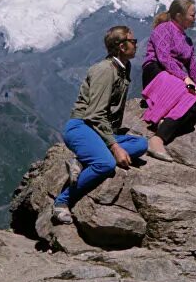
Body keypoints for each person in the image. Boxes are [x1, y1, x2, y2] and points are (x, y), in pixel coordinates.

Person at [51, 25, 148, 225]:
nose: (136, 44)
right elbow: (95, 114)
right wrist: (115, 146)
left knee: (141, 145)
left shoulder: (123, 68)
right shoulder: (105, 71)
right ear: (122, 46)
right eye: (133, 41)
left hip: (96, 131)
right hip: (81, 127)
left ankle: (82, 162)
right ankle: (62, 201)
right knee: (106, 163)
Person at [142, 0, 196, 160]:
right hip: (156, 72)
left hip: (177, 77)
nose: (195, 18)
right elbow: (164, 58)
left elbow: (194, 70)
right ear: (178, 15)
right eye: (192, 15)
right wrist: (184, 78)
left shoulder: (187, 41)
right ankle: (157, 140)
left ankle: (167, 120)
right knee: (188, 94)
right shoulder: (163, 29)